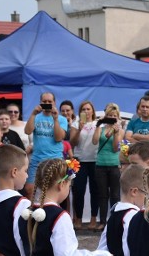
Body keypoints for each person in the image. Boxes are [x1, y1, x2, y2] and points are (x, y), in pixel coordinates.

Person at [24, 92, 68, 200]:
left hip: (54, 159)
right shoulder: (36, 117)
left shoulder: (62, 119)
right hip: (37, 159)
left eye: (50, 102)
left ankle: (51, 213)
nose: (47, 103)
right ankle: (31, 214)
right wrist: (33, 114)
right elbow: (27, 131)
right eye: (44, 102)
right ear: (40, 102)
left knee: (54, 190)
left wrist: (56, 119)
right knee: (29, 189)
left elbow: (59, 138)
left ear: (54, 103)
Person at [92, 103, 124, 230]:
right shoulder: (101, 128)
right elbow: (94, 142)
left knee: (115, 195)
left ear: (118, 117)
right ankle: (103, 221)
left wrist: (116, 132)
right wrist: (98, 125)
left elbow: (116, 148)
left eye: (114, 116)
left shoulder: (120, 130)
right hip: (100, 165)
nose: (111, 117)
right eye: (109, 115)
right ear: (106, 116)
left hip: (114, 165)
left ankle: (114, 221)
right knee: (102, 195)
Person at [70, 101, 100, 231]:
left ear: (93, 111)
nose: (86, 111)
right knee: (78, 190)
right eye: (83, 109)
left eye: (88, 109)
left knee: (95, 190)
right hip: (78, 160)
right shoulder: (76, 124)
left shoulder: (98, 124)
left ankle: (93, 219)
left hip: (95, 160)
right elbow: (72, 142)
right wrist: (79, 130)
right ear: (80, 112)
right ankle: (78, 220)